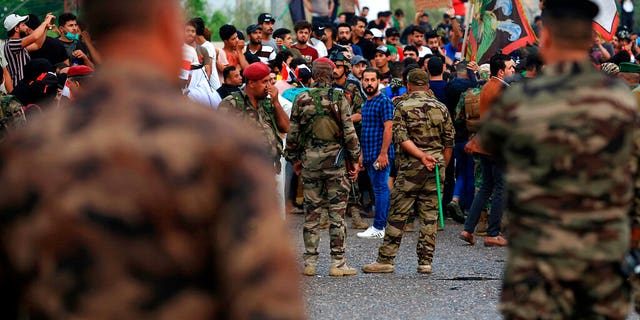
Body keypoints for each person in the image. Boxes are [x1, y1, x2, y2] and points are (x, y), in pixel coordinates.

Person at [0, 0, 305, 318]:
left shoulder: (27, 149)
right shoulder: (220, 143)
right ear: (165, 28)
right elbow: (267, 298)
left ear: (91, 40)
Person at [480, 1, 638, 318]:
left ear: (547, 38)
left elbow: (491, 148)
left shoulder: (520, 99)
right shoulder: (620, 100)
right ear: (590, 42)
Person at [362, 68, 454, 274]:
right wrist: (441, 165)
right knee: (429, 216)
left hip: (411, 168)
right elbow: (449, 143)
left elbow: (402, 139)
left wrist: (421, 156)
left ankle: (386, 259)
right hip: (436, 167)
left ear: (409, 85)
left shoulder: (402, 106)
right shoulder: (441, 107)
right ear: (427, 85)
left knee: (398, 213)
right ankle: (425, 262)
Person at [285, 57, 361, 276]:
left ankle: (309, 261)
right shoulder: (339, 97)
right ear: (331, 73)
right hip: (336, 162)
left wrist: (293, 158)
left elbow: (294, 133)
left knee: (312, 212)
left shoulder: (301, 97)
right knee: (337, 214)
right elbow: (349, 131)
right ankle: (338, 263)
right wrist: (355, 159)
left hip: (310, 162)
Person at [459, 53, 514, 247]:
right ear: (501, 71)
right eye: (510, 68)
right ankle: (493, 233)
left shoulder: (486, 87)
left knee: (485, 188)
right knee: (500, 189)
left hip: (485, 144)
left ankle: (468, 229)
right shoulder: (503, 89)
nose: (513, 71)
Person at [218, 62, 290, 173]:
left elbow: (286, 128)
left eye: (270, 82)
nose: (269, 86)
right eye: (265, 82)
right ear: (251, 83)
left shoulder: (267, 102)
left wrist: (276, 103)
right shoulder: (232, 103)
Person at [356, 68, 395, 239]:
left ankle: (379, 227)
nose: (369, 83)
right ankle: (379, 226)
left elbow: (389, 127)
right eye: (366, 80)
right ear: (362, 81)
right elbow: (366, 129)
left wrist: (384, 153)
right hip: (370, 153)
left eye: (373, 80)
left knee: (380, 189)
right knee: (378, 189)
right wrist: (363, 155)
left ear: (378, 81)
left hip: (380, 153)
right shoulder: (367, 102)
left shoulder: (384, 101)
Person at [3, 12, 55, 87]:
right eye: (23, 25)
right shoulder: (12, 44)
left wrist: (46, 27)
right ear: (16, 29)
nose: (26, 27)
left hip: (23, 86)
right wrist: (45, 22)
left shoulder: (15, 45)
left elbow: (38, 45)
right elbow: (34, 37)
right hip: (19, 87)